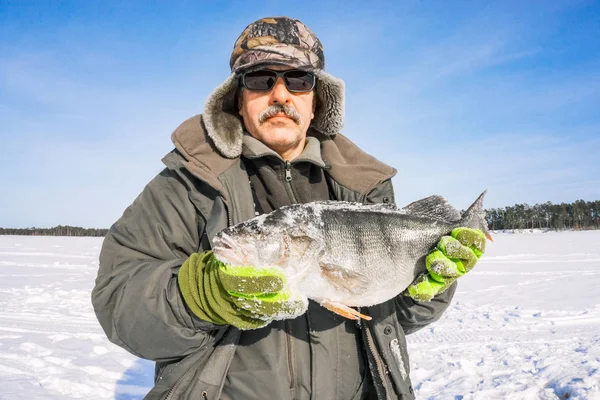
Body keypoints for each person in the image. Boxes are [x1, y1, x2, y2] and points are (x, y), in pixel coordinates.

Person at [91, 16, 486, 400]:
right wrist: (205, 293)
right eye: (261, 79)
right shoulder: (189, 183)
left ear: (316, 101)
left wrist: (429, 288)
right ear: (238, 98)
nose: (280, 94)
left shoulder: (366, 188)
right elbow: (119, 306)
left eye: (298, 80)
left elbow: (393, 318)